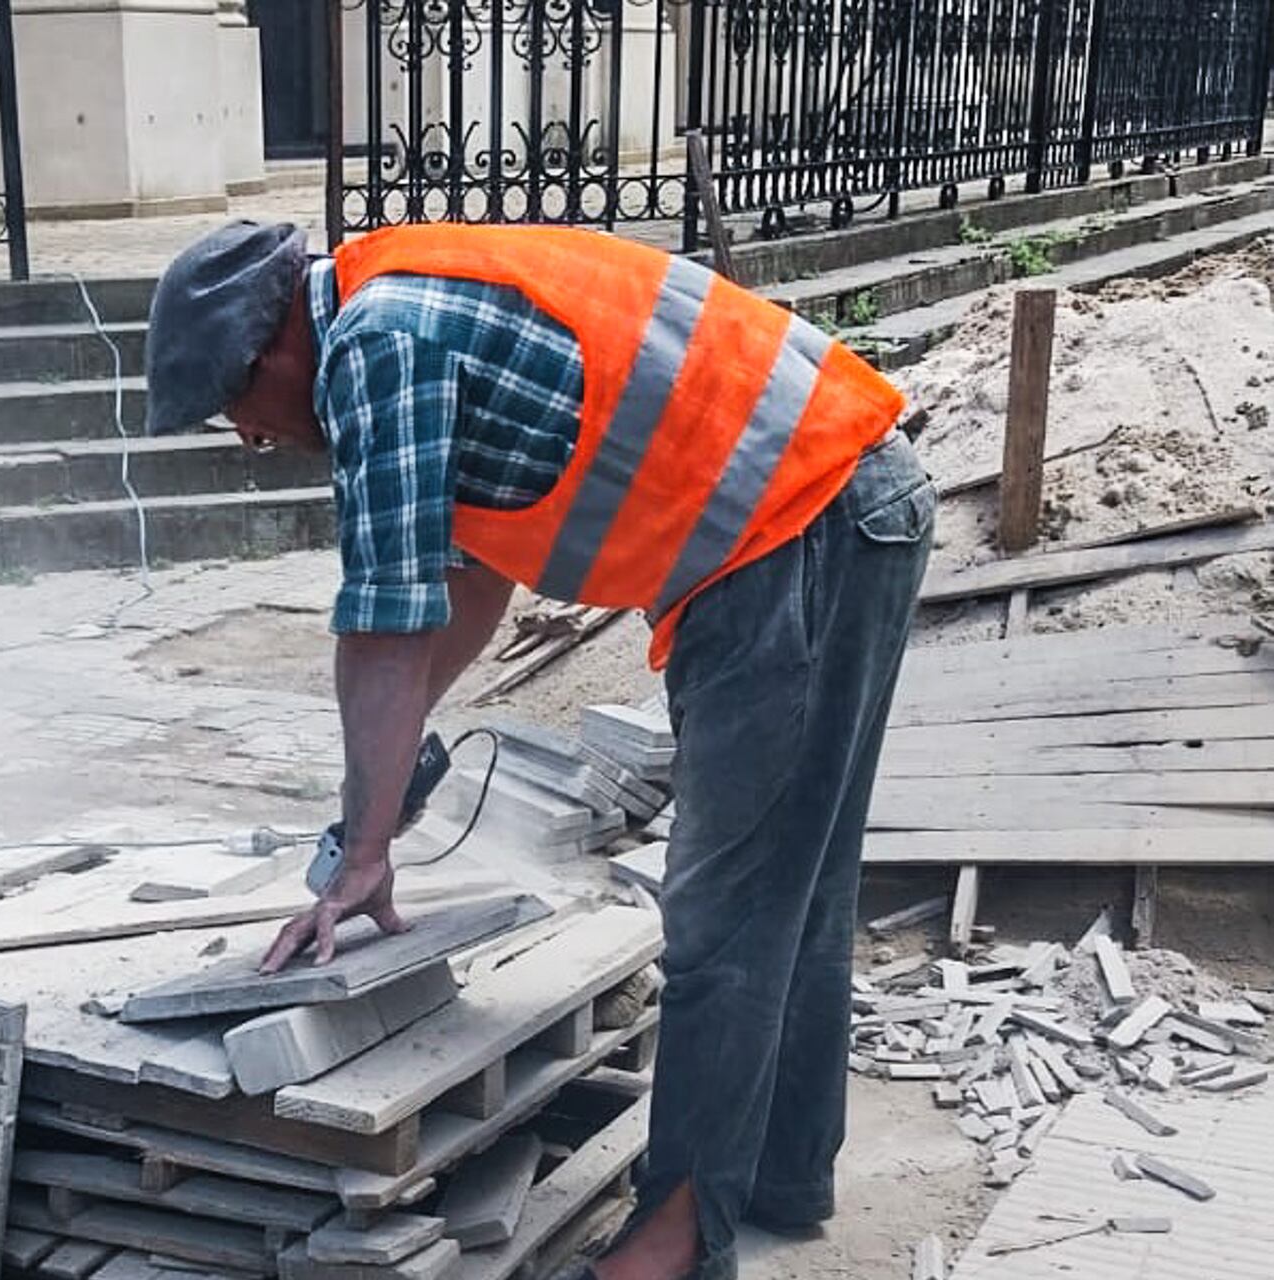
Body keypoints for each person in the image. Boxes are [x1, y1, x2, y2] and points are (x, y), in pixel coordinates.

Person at [140, 220, 935, 1280]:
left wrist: (367, 848)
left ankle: (673, 1246)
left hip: (795, 533)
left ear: (273, 349)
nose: (247, 437)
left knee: (726, 912)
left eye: (234, 409)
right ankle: (781, 1175)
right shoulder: (403, 304)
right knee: (794, 879)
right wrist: (374, 810)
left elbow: (384, 629)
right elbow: (473, 580)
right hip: (846, 500)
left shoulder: (377, 346)